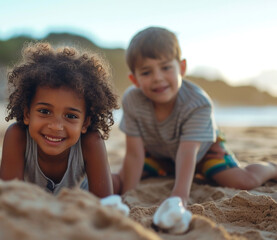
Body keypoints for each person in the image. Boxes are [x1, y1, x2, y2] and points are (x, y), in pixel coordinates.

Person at [113, 26, 277, 206]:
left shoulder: (197, 103)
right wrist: (127, 195)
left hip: (203, 153)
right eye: (146, 72)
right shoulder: (132, 100)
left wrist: (179, 197)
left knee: (243, 181)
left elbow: (187, 151)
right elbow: (134, 154)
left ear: (181, 68)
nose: (157, 77)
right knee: (123, 178)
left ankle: (271, 168)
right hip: (160, 154)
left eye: (166, 67)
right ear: (134, 79)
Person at [0, 42, 119, 198]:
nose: (56, 126)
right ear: (27, 114)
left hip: (82, 192)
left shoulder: (91, 142)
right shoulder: (17, 136)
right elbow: (7, 197)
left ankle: (122, 178)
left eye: (70, 116)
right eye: (44, 111)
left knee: (116, 183)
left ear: (85, 123)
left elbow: (105, 203)